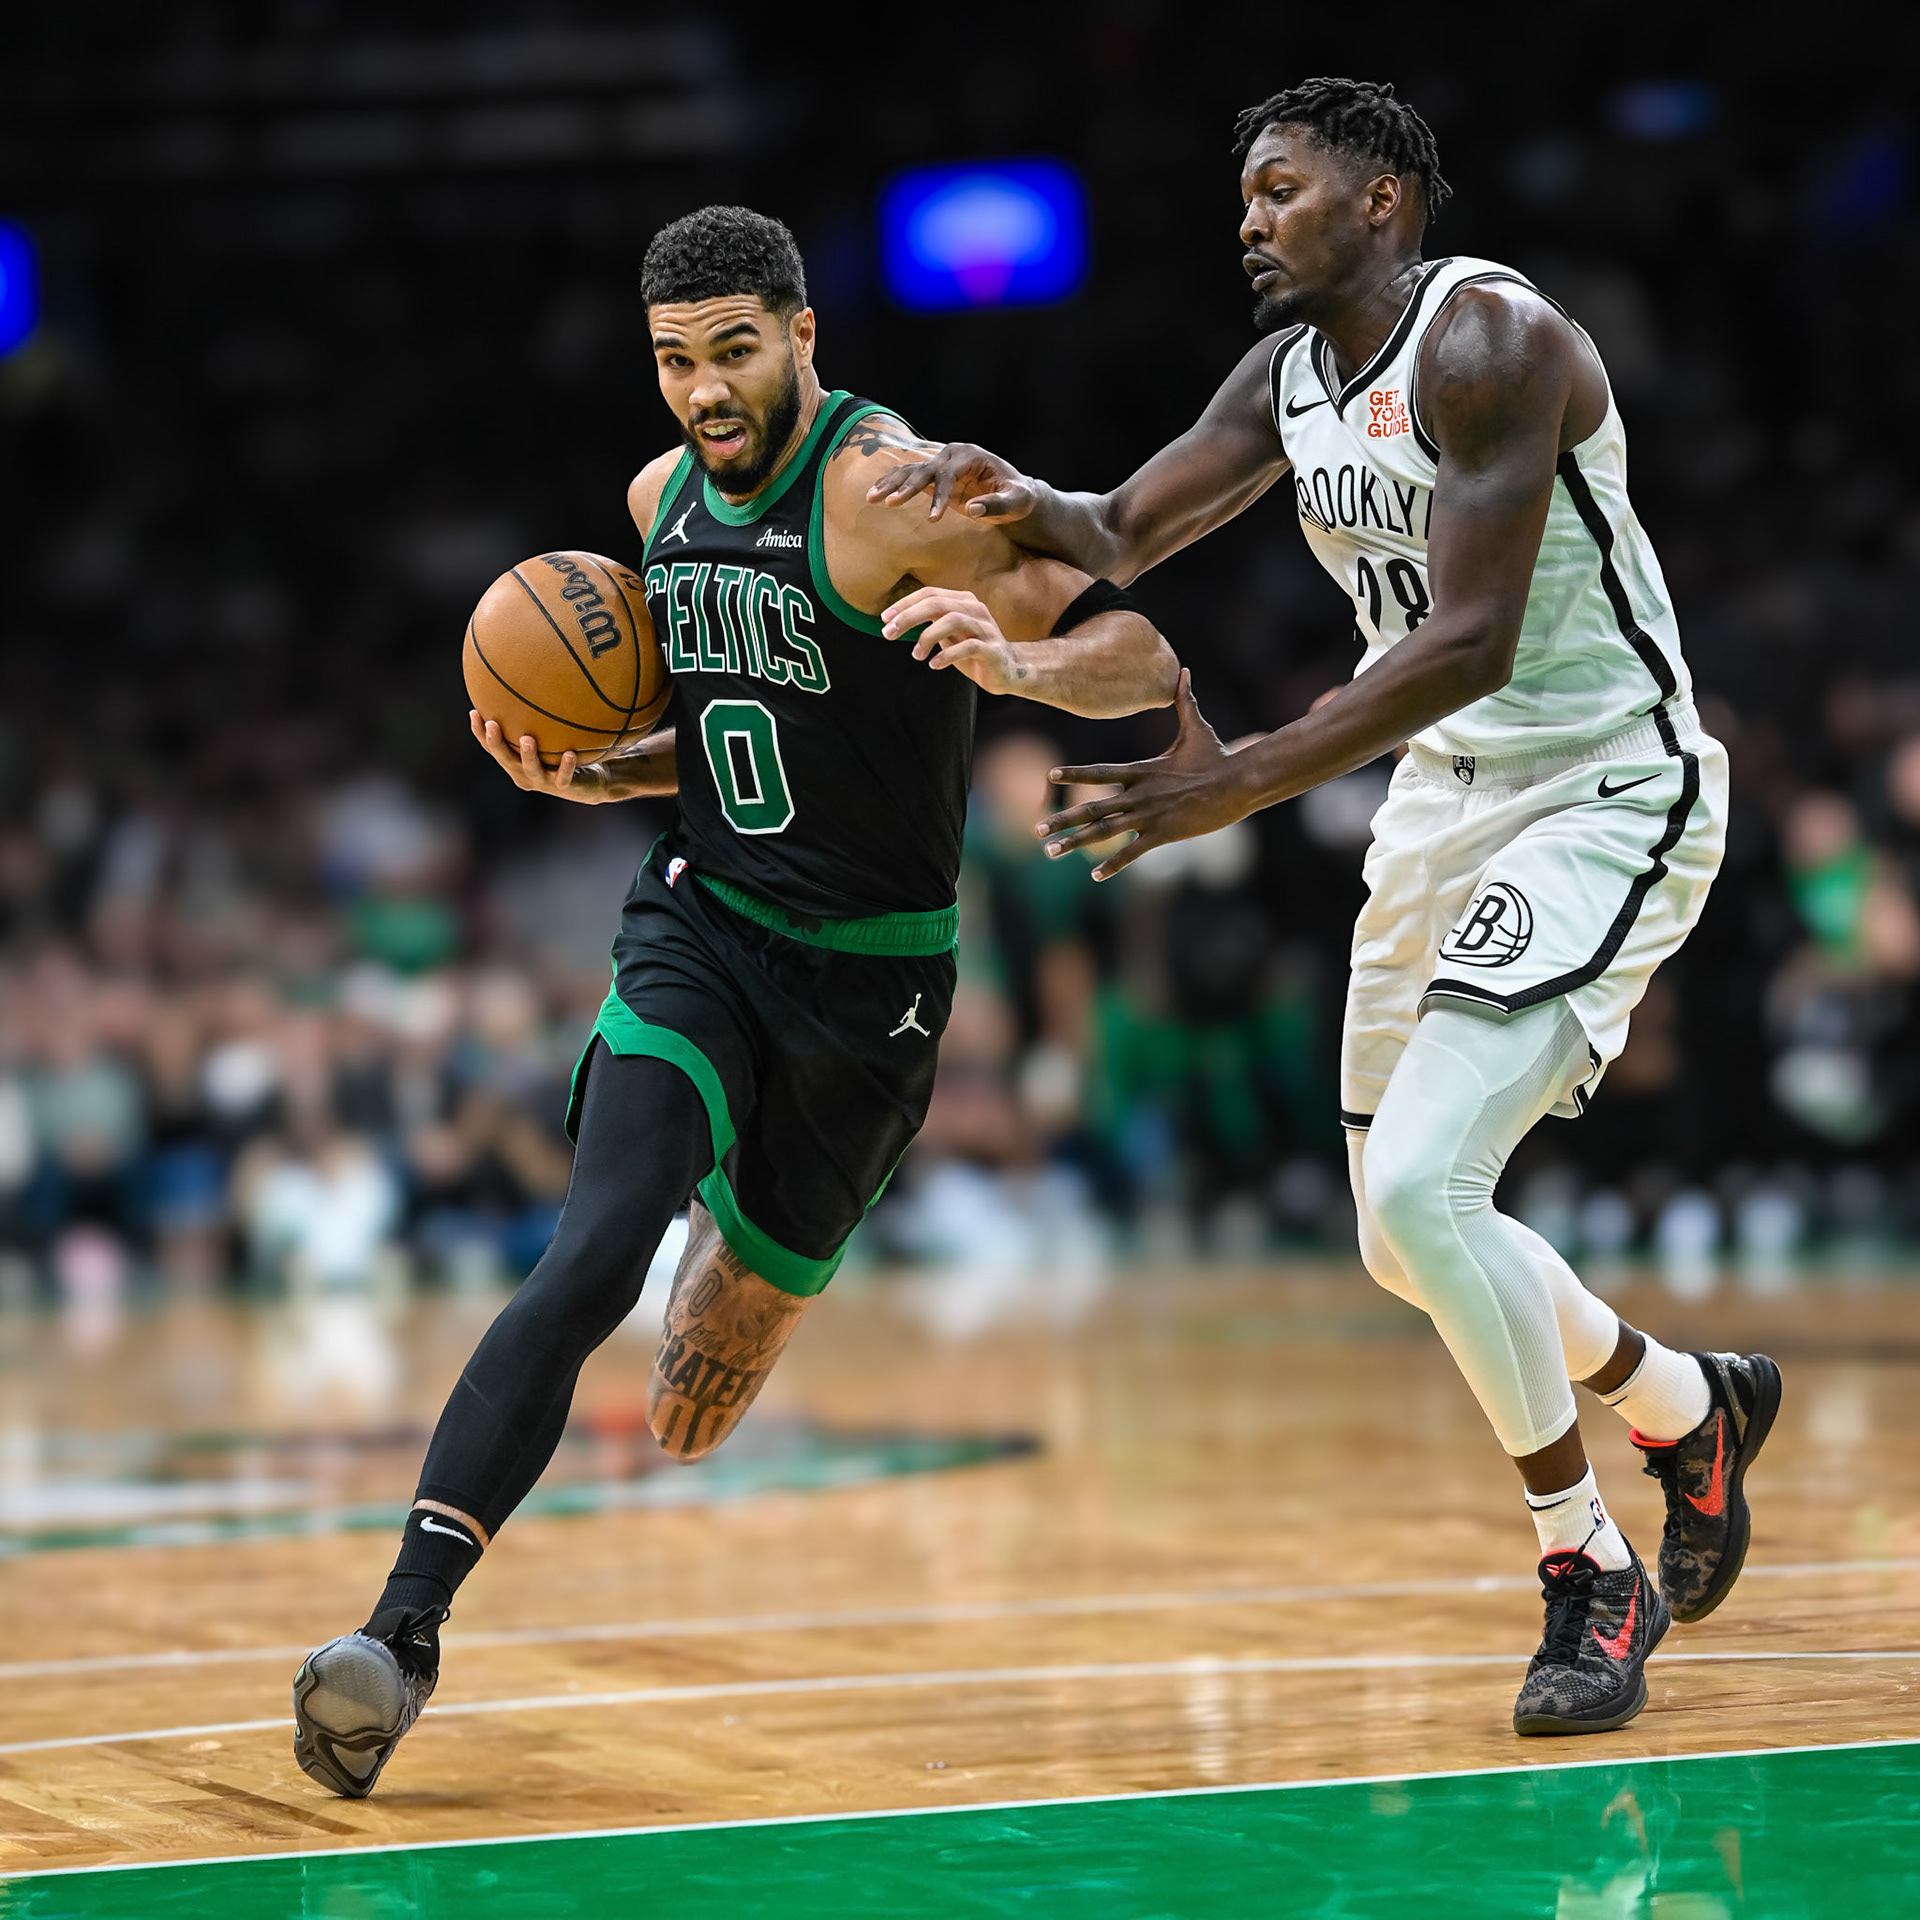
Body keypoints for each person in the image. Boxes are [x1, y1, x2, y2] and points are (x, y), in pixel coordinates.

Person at [872, 78, 1780, 1738]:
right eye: (1243, 193)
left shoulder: (1491, 344)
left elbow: (1469, 645)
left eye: (1280, 189)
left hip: (1600, 786)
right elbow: (1121, 530)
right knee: (1397, 1235)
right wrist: (1000, 504)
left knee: (1436, 1184)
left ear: (1383, 203)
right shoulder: (1291, 375)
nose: (1248, 218)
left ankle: (1588, 1570)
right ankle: (1681, 1404)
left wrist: (1232, 781)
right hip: (1442, 800)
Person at [290, 205, 1178, 1797]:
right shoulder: (658, 501)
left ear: (805, 336)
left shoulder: (896, 488)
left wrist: (1017, 669)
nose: (702, 390)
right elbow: (717, 735)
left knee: (696, 1405)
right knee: (592, 1248)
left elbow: (1147, 661)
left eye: (733, 351)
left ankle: (745, 1230)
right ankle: (397, 1636)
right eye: (672, 360)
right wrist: (595, 769)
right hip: (701, 928)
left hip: (873, 994)